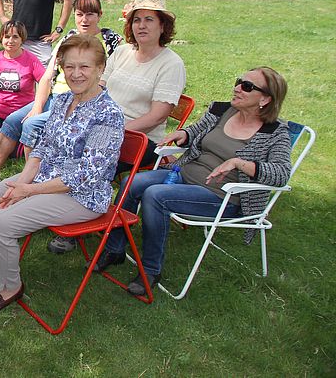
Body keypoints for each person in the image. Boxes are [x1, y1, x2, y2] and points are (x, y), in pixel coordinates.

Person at [0, 35, 124, 313]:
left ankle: (9, 287)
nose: (76, 74)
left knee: (0, 225)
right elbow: (41, 150)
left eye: (85, 67)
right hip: (43, 180)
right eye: (70, 66)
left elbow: (87, 174)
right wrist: (21, 183)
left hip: (82, 196)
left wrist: (26, 191)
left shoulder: (109, 114)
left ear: (101, 68)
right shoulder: (64, 101)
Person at [91, 67, 292, 296]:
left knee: (156, 195)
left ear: (265, 98)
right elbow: (197, 130)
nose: (237, 88)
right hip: (185, 175)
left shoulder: (275, 133)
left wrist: (239, 163)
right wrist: (184, 134)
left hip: (223, 196)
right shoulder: (222, 111)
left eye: (247, 86)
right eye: (239, 81)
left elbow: (282, 173)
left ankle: (150, 269)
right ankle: (114, 248)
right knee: (132, 182)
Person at [47, 0, 185, 254]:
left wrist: (110, 131)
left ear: (163, 26)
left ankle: (77, 219)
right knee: (58, 149)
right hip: (101, 123)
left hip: (140, 139)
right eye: (136, 20)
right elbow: (97, 86)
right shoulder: (122, 52)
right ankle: (53, 206)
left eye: (149, 20)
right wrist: (83, 120)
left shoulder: (171, 64)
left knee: (80, 158)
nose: (141, 25)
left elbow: (157, 116)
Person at [0, 0, 121, 187]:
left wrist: (40, 113)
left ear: (100, 15)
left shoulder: (110, 41)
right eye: (79, 14)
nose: (84, 20)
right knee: (11, 121)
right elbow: (46, 76)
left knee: (31, 125)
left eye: (90, 14)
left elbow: (105, 80)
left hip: (82, 102)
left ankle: (33, 180)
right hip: (55, 98)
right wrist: (38, 105)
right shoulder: (68, 38)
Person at [0, 21, 45, 146]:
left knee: (14, 152)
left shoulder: (31, 60)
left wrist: (37, 108)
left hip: (22, 116)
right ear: (1, 38)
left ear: (22, 39)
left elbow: (44, 83)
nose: (10, 41)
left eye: (15, 37)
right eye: (7, 36)